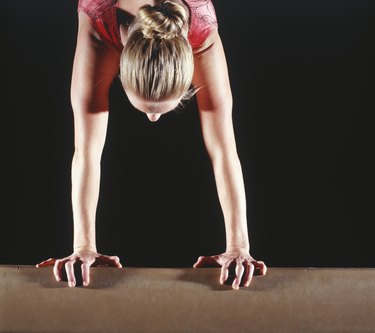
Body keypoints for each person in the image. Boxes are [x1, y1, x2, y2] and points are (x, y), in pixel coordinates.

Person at [36, 0, 267, 290]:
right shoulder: (98, 26)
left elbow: (224, 153)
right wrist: (83, 244)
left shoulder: (203, 36)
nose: (153, 118)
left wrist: (239, 246)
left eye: (157, 109)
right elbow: (86, 153)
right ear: (120, 64)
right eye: (146, 108)